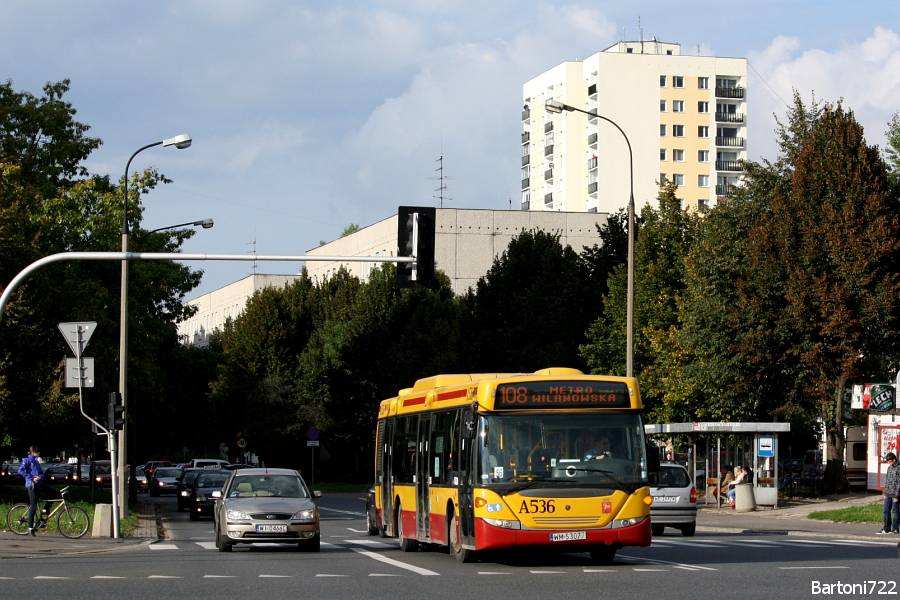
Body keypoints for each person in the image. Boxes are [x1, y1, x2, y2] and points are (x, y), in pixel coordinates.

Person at [17, 446, 58, 536]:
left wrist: (40, 477)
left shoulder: (36, 461)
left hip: (39, 483)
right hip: (31, 485)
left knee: (54, 492)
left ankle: (45, 509)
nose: (39, 454)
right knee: (33, 506)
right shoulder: (27, 460)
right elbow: (20, 470)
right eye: (37, 452)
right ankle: (30, 527)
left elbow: (41, 473)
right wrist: (31, 477)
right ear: (33, 452)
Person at [877, 452, 900, 534]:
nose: (889, 463)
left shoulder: (898, 468)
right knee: (886, 510)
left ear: (894, 460)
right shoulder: (889, 468)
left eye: (890, 461)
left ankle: (896, 528)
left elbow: (899, 483)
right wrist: (885, 492)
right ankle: (886, 528)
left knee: (895, 511)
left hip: (895, 493)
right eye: (888, 461)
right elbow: (887, 480)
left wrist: (897, 496)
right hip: (888, 493)